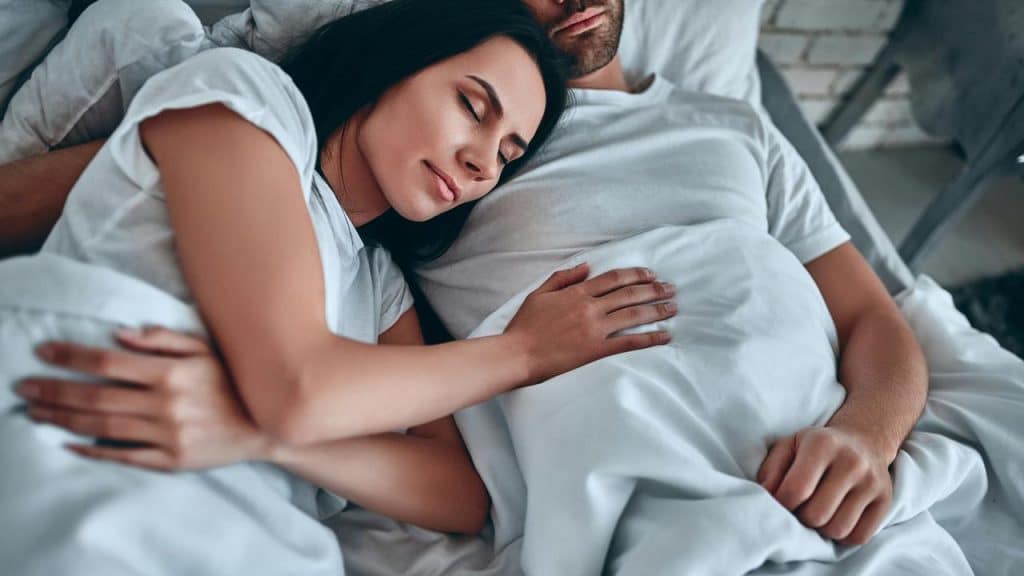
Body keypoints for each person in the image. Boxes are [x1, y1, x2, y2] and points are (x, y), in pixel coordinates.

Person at [1, 0, 923, 554]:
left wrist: (265, 439)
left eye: (510, 151)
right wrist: (523, 350)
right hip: (88, 423)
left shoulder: (379, 286)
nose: (484, 163)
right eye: (473, 108)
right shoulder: (247, 101)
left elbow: (459, 493)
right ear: (398, 63)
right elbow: (295, 385)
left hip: (240, 512)